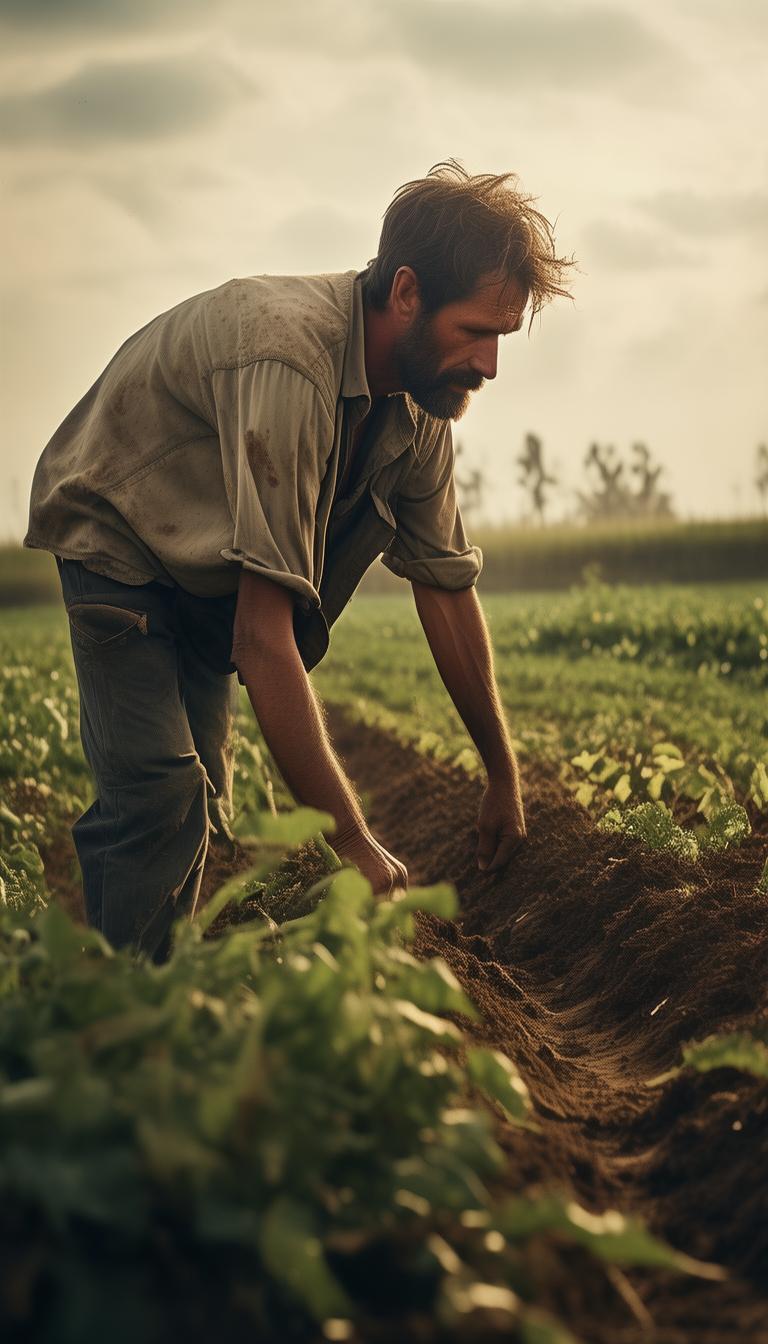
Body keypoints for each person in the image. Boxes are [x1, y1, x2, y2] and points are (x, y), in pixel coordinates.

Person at [24, 160, 572, 962]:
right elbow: (261, 639)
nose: (489, 366)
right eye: (477, 333)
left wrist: (500, 773)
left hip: (204, 563)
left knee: (202, 801)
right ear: (408, 293)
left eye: (502, 337)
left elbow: (447, 592)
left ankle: (164, 993)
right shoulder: (291, 359)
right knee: (158, 796)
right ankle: (121, 1025)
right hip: (118, 530)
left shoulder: (418, 413)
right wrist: (351, 839)